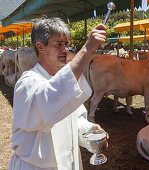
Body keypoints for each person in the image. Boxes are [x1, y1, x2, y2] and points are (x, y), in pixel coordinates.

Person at [8, 18, 107, 170]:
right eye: (58, 44)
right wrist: (86, 49)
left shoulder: (65, 83)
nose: (65, 49)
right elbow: (49, 102)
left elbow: (76, 119)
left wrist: (89, 132)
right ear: (40, 47)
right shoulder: (27, 83)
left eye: (66, 44)